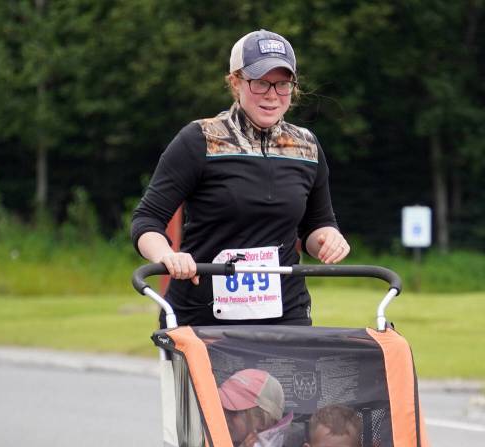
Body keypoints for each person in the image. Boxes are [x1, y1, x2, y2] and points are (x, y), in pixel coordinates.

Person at [131, 28, 350, 327]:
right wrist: (168, 256)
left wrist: (328, 239)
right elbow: (146, 221)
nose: (272, 95)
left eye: (282, 84)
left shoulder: (306, 146)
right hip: (203, 316)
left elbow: (316, 226)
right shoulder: (200, 139)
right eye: (261, 83)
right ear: (236, 82)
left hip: (285, 315)